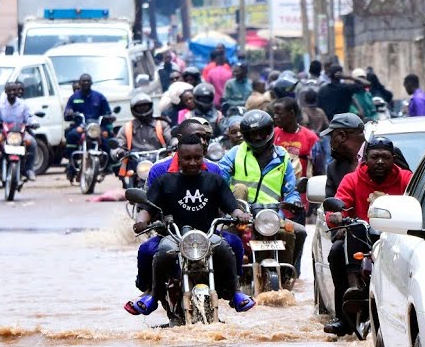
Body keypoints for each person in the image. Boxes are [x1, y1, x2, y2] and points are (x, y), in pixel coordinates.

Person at [125, 119, 246, 315]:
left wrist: (241, 215)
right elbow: (148, 206)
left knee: (228, 245)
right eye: (187, 158)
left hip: (208, 236)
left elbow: (230, 205)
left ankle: (235, 292)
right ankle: (153, 295)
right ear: (178, 157)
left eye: (197, 158)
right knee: (156, 252)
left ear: (203, 155)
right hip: (172, 237)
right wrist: (142, 221)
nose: (192, 163)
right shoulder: (164, 179)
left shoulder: (214, 178)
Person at [323, 136, 413, 336]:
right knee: (336, 252)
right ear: (365, 159)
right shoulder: (352, 179)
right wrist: (337, 216)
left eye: (385, 157)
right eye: (375, 157)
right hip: (361, 240)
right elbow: (339, 204)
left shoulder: (406, 178)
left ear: (393, 159)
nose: (380, 162)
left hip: (396, 238)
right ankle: (345, 313)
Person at [221, 110, 308, 278]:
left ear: (270, 131)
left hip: (271, 216)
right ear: (246, 136)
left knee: (299, 232)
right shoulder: (235, 153)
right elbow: (219, 180)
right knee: (220, 237)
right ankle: (230, 277)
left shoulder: (283, 158)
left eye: (262, 133)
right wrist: (229, 207)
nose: (258, 138)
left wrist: (294, 202)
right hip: (239, 215)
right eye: (252, 135)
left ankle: (289, 274)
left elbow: (290, 191)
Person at [0, 81, 38, 180]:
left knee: (33, 142)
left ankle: (29, 169)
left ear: (18, 91)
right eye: (9, 90)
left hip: (19, 133)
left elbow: (29, 115)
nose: (12, 92)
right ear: (5, 91)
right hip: (3, 133)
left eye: (14, 90)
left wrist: (33, 122)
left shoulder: (23, 104)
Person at [63, 73, 113, 181]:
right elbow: (67, 112)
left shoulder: (99, 97)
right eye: (83, 81)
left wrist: (109, 116)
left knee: (108, 140)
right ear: (79, 83)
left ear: (91, 83)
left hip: (96, 127)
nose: (85, 83)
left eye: (88, 81)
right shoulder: (74, 97)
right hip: (81, 127)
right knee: (71, 135)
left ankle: (109, 165)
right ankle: (72, 162)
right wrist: (70, 113)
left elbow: (108, 112)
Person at [272, 95, 319, 188]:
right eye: (274, 114)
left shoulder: (310, 137)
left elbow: (318, 168)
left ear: (292, 113)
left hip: (301, 191)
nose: (275, 117)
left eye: (279, 114)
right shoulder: (273, 134)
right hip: (276, 188)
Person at [322, 113, 366, 196]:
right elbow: (330, 204)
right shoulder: (334, 168)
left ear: (343, 136)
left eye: (332, 137)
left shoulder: (381, 157)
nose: (330, 142)